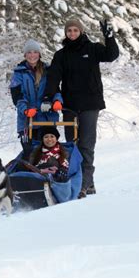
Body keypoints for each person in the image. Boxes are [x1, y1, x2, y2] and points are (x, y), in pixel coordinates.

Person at [41, 18, 119, 198]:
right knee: (71, 145)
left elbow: (111, 55)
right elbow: (54, 77)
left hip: (91, 104)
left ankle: (85, 185)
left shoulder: (92, 49)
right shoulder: (61, 55)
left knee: (86, 144)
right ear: (66, 33)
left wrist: (109, 36)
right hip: (69, 106)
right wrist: (48, 97)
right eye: (69, 31)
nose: (72, 33)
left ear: (81, 32)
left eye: (76, 30)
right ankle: (82, 181)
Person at [9, 39, 63, 159]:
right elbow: (17, 96)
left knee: (49, 153)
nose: (32, 55)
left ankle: (51, 173)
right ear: (25, 55)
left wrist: (57, 101)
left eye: (35, 52)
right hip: (28, 121)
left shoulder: (48, 70)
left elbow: (55, 89)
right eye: (29, 52)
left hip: (47, 117)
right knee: (32, 154)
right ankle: (31, 176)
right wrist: (26, 109)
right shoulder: (18, 73)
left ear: (39, 54)